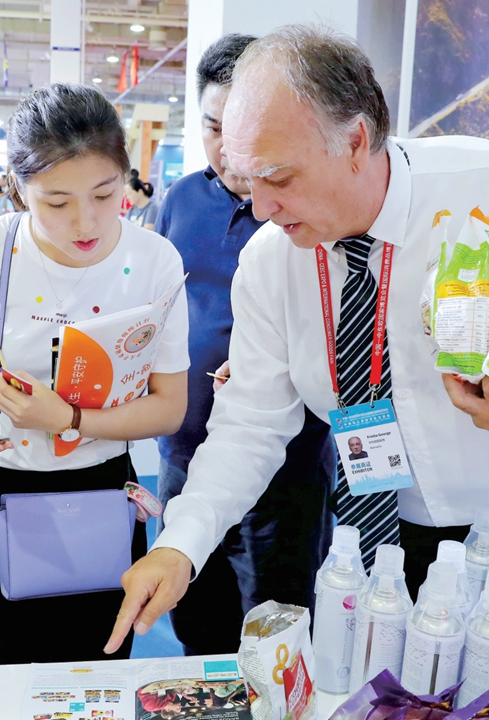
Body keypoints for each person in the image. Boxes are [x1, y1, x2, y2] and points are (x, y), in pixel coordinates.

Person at [104, 25, 489, 654]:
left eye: (278, 178)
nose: (259, 208)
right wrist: (181, 544)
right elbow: (251, 423)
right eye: (244, 179)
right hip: (381, 544)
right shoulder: (271, 262)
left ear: (354, 142)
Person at [0, 82, 189, 665]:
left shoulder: (154, 262)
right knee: (4, 672)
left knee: (97, 675)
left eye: (104, 193)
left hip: (100, 493)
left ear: (127, 176)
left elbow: (169, 406)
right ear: (18, 190)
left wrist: (67, 418)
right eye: (56, 201)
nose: (84, 220)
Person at [150, 33, 336, 657]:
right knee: (195, 618)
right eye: (213, 128)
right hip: (184, 450)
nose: (232, 152)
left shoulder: (311, 209)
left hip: (283, 465)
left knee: (275, 627)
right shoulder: (179, 202)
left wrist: (270, 365)